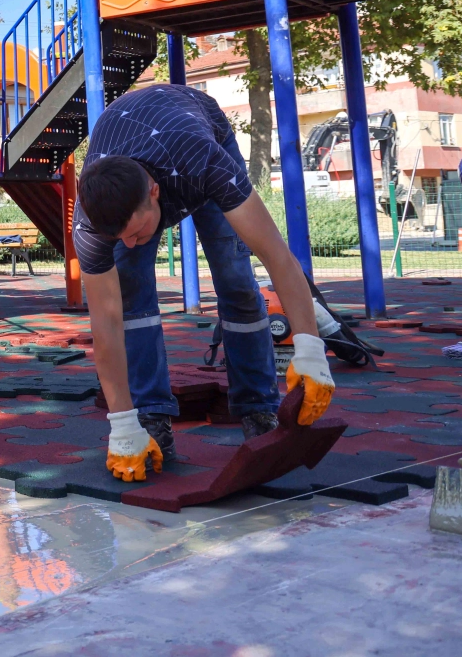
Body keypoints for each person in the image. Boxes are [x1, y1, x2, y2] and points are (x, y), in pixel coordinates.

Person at [72, 83, 336, 482]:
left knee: (235, 278)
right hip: (131, 137)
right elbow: (105, 326)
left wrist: (311, 350)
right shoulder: (90, 225)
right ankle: (149, 418)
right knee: (130, 296)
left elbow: (277, 257)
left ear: (155, 194)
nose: (129, 243)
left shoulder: (204, 162)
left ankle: (258, 409)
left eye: (137, 231)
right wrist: (122, 424)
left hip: (195, 129)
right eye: (119, 237)